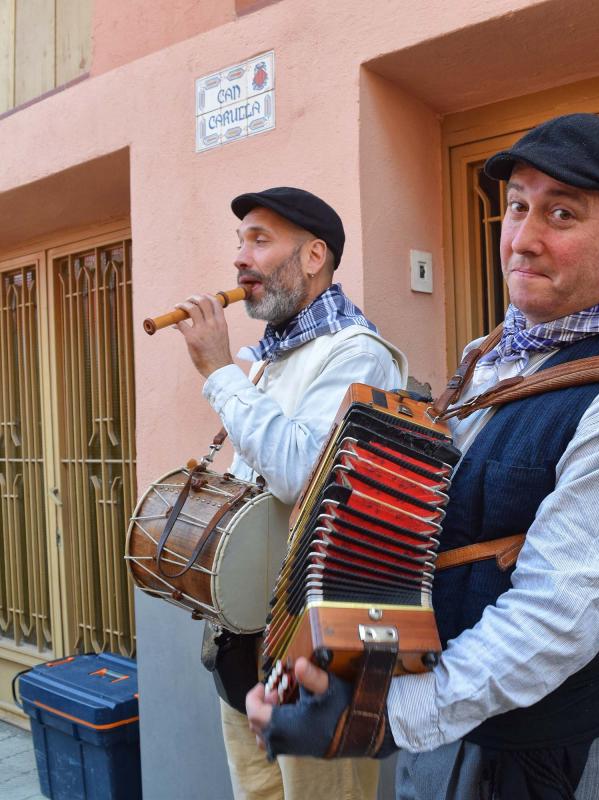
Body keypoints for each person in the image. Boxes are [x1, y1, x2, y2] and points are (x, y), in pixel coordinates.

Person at [244, 114, 599, 799]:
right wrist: (342, 667)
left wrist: (381, 717)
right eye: (517, 206)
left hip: (539, 755)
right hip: (445, 723)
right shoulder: (490, 354)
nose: (523, 238)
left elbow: (559, 614)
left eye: (561, 213)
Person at [175, 186, 406, 800]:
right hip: (248, 632)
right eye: (240, 241)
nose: (240, 259)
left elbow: (302, 474)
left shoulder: (357, 354)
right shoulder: (272, 355)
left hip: (317, 644)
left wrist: (221, 372)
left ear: (313, 257)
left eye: (260, 239)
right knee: (256, 793)